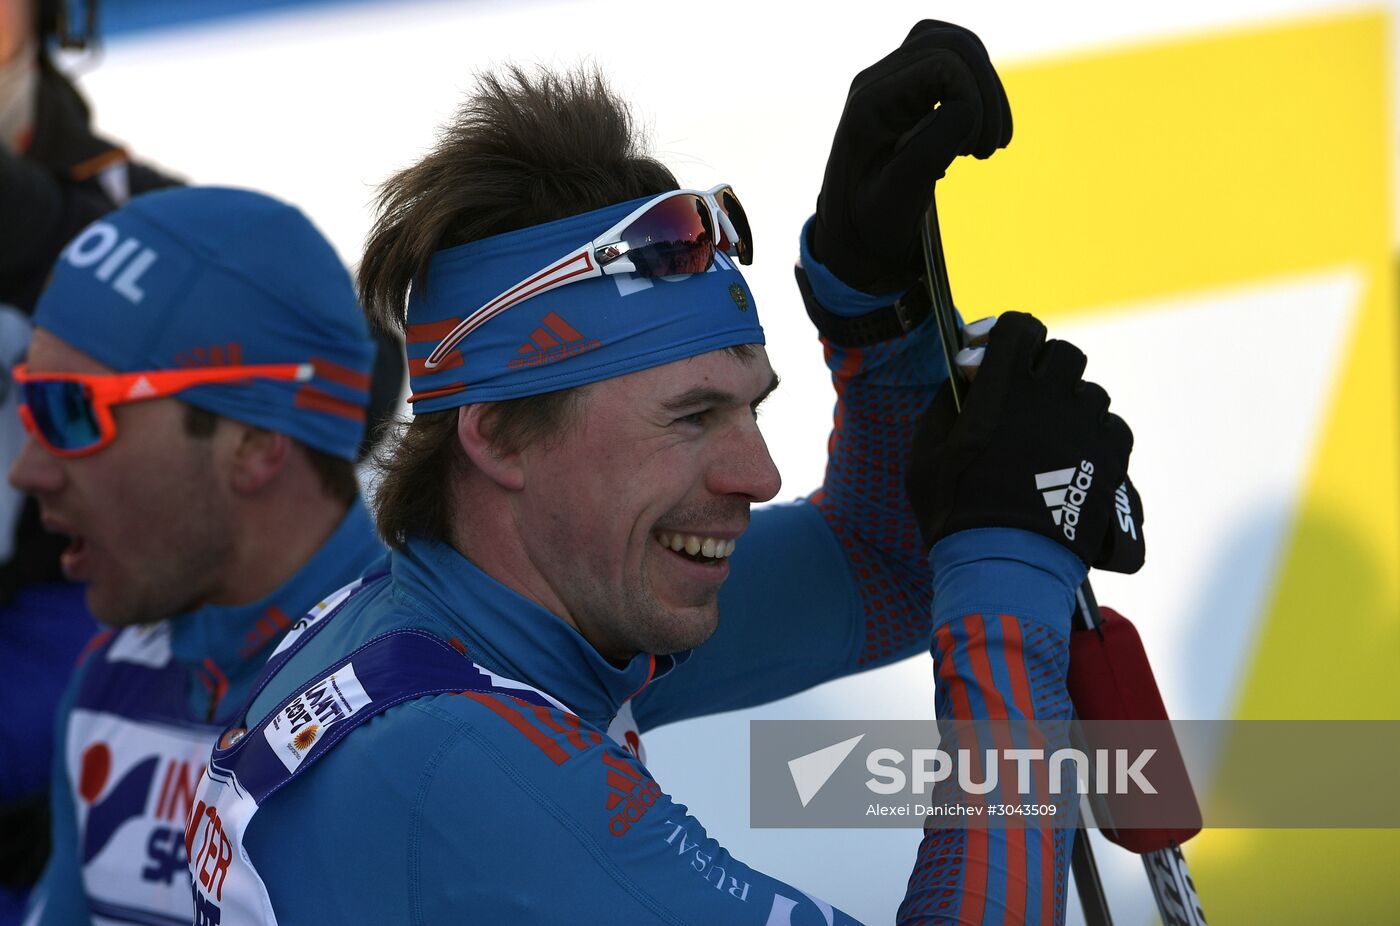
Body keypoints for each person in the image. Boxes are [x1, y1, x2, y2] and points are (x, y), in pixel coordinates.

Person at [187, 22, 1142, 924]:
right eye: (690, 417)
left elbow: (878, 569)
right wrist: (1012, 571)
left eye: (750, 405)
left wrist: (875, 311)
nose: (759, 474)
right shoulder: (465, 769)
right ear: (500, 439)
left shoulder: (468, 620)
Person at [9, 185, 384, 925]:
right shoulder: (112, 680)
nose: (28, 469)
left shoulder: (436, 706)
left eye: (72, 409)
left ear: (252, 445)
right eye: (26, 402)